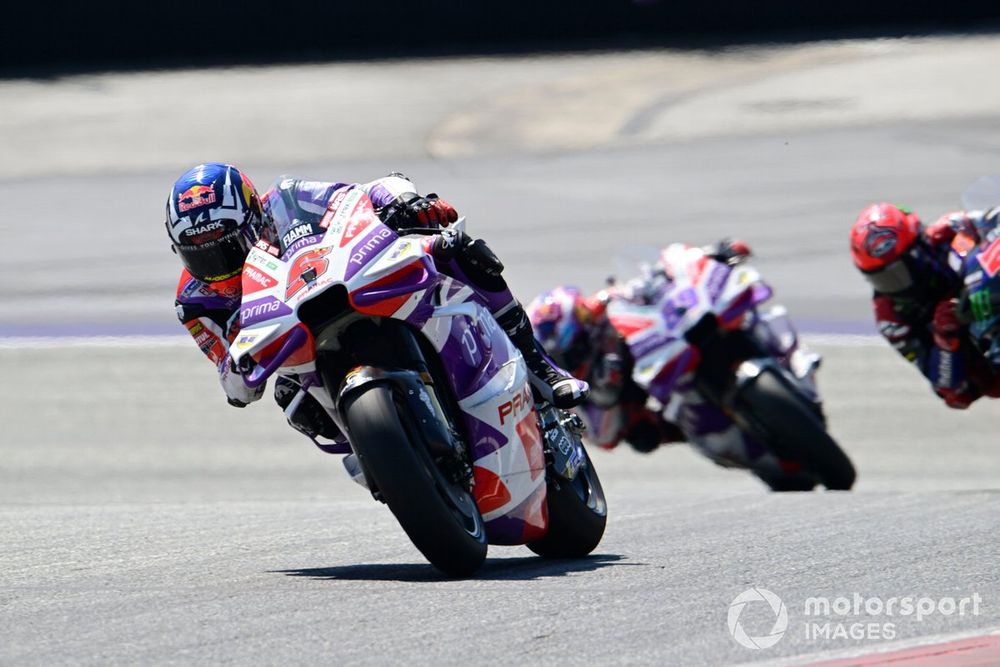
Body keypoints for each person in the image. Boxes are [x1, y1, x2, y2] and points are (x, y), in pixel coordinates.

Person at [166, 162, 588, 441]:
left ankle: (539, 367)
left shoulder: (288, 197)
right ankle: (376, 454)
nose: (220, 268)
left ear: (255, 215)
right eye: (201, 256)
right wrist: (239, 369)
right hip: (293, 343)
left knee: (458, 249)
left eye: (227, 249)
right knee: (293, 405)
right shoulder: (196, 301)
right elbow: (232, 379)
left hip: (344, 278)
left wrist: (406, 203)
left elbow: (359, 195)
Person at [527, 239, 751, 453]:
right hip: (657, 391)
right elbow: (602, 435)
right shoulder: (573, 387)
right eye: (570, 354)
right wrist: (623, 413)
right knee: (645, 437)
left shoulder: (596, 308)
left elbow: (646, 281)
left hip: (665, 343)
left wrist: (708, 257)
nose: (579, 352)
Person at [849, 202, 1000, 408]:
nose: (893, 287)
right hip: (984, 355)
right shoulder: (891, 318)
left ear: (916, 248)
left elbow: (992, 218)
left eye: (897, 273)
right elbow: (951, 393)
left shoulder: (949, 230)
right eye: (881, 279)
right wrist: (945, 340)